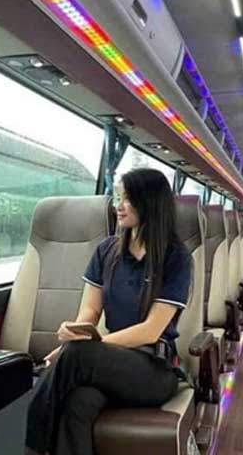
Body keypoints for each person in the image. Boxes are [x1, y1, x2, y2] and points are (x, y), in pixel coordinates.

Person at [25, 168, 192, 455]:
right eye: (118, 197)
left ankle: (25, 445)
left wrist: (84, 348)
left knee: (77, 355)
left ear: (149, 203)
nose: (119, 206)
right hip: (110, 363)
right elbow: (90, 311)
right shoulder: (107, 251)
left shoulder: (176, 258)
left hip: (153, 369)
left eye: (127, 199)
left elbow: (151, 330)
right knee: (77, 404)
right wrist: (76, 334)